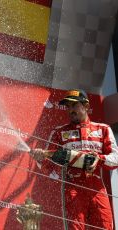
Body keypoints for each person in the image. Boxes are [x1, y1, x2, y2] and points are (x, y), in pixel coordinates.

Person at [30, 89, 118, 230]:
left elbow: (116, 159)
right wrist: (39, 158)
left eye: (74, 105)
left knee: (105, 226)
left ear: (86, 106)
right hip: (73, 188)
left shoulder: (103, 129)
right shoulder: (59, 132)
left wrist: (99, 159)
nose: (70, 110)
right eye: (68, 106)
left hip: (97, 188)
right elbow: (48, 165)